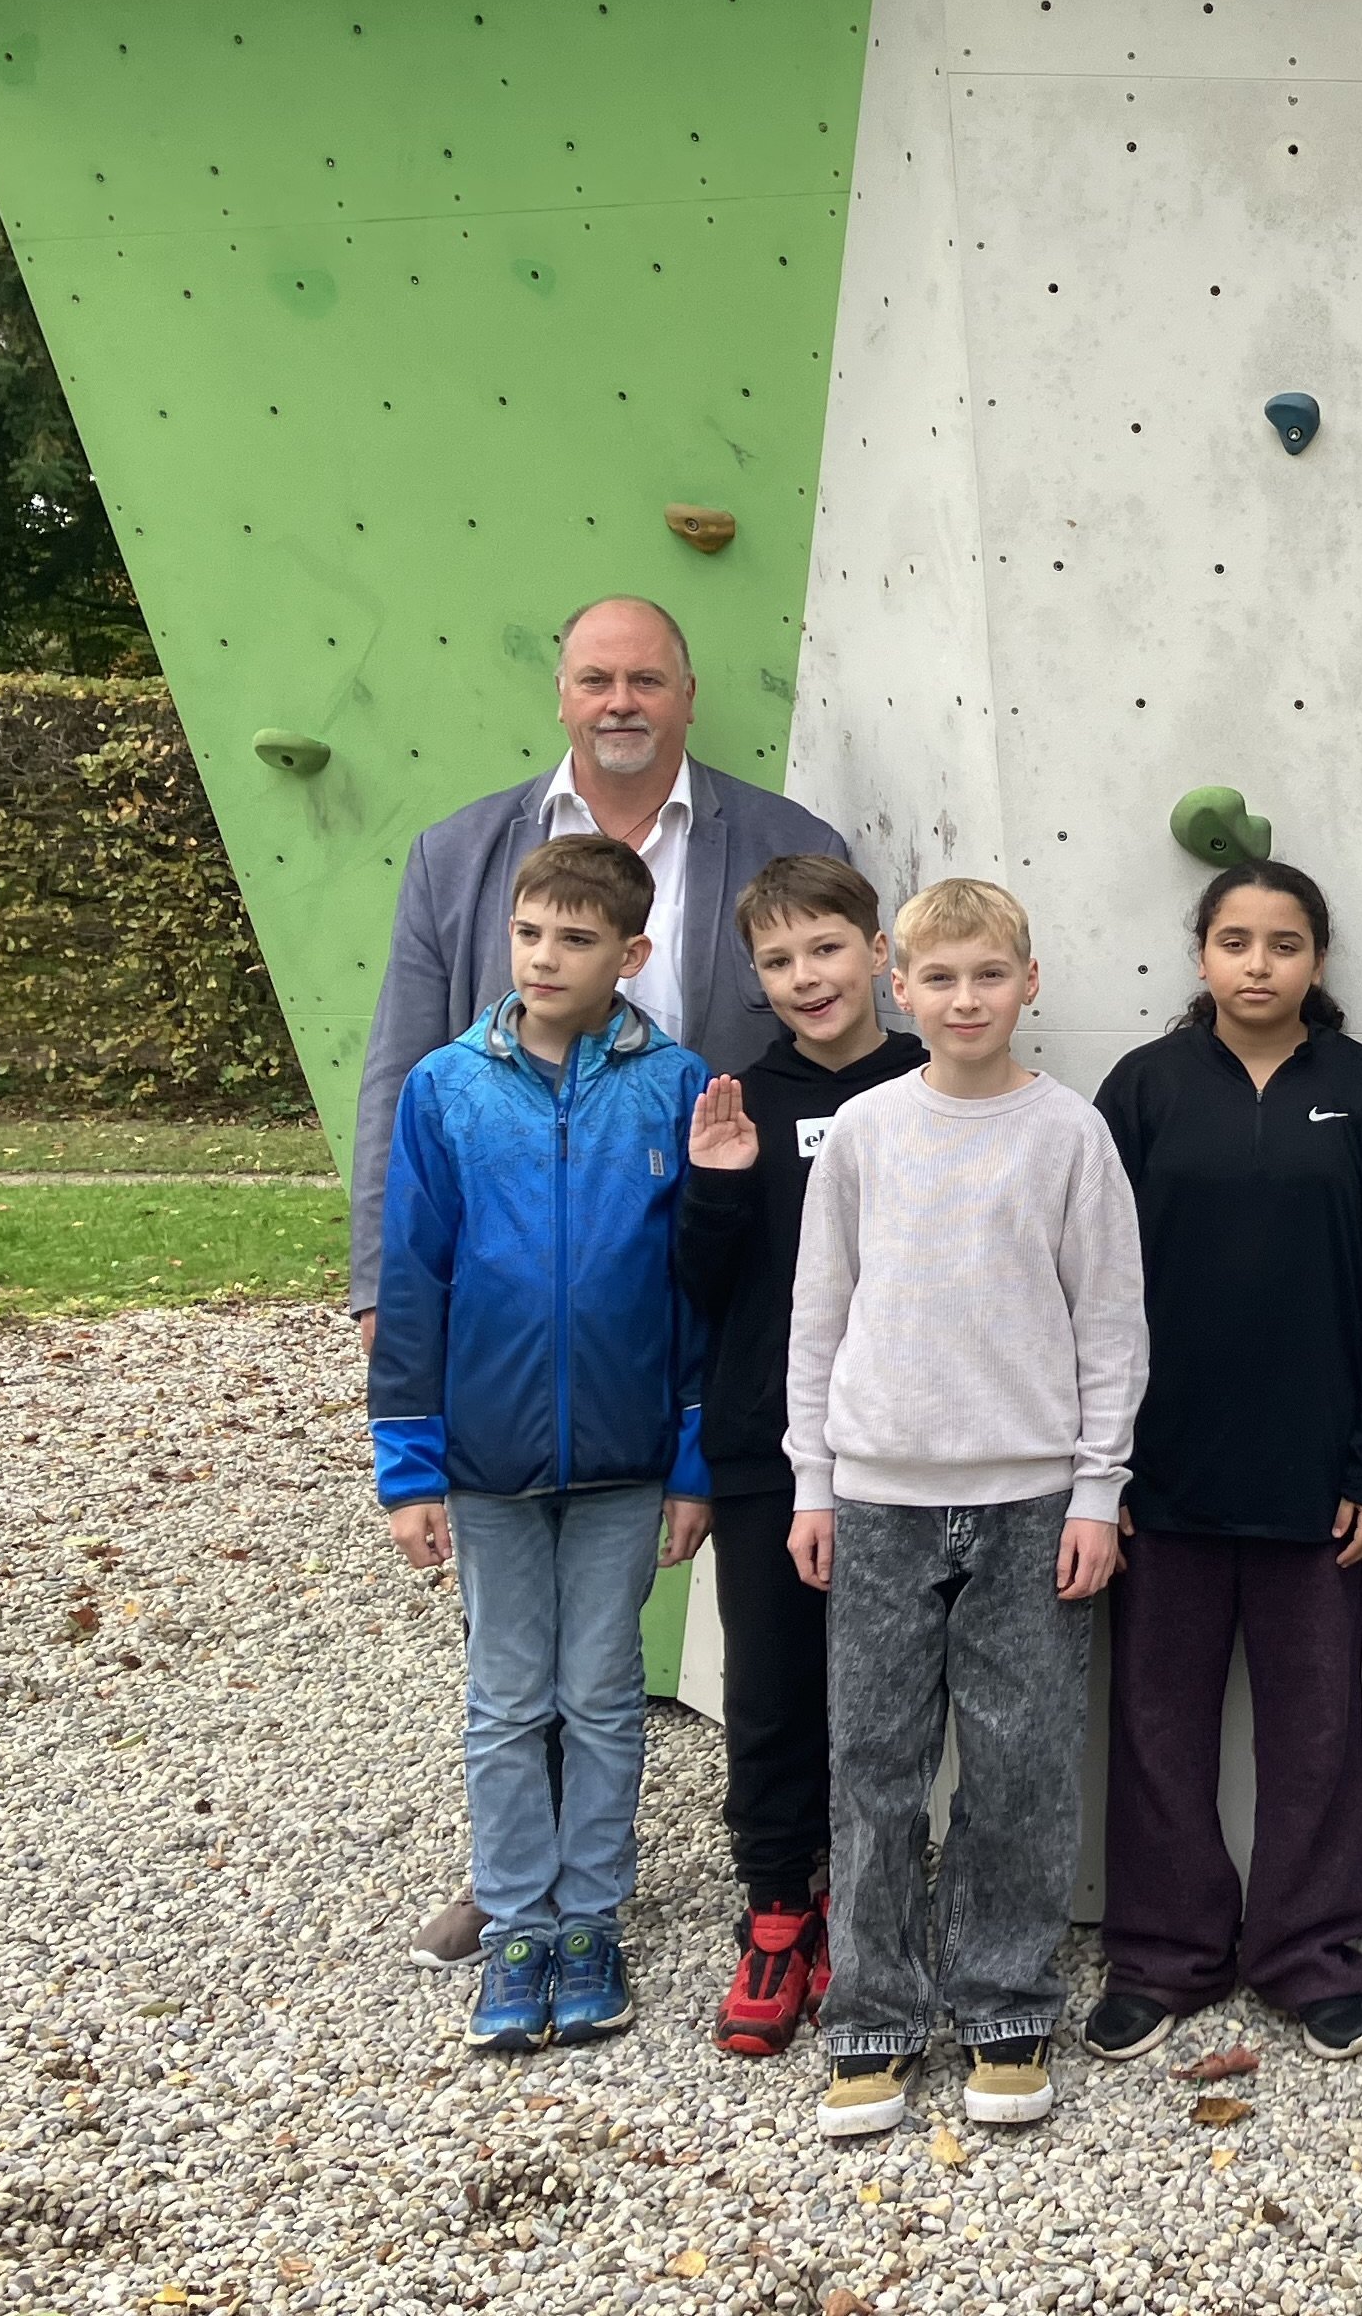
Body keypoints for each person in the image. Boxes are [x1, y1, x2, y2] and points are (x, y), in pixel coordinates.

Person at [351, 591, 849, 1972]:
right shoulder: (465, 854)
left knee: (651, 1620)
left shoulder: (789, 842)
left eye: (646, 678)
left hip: (700, 1275)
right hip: (508, 1290)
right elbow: (401, 1074)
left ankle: (698, 1876)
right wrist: (382, 1290)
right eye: (594, 678)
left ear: (689, 693)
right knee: (512, 1647)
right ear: (562, 696)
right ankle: (525, 1890)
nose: (620, 700)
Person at [784, 877, 1146, 2140]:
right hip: (879, 1496)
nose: (965, 998)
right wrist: (813, 1480)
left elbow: (1110, 1324)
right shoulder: (867, 1131)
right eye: (938, 979)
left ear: (1028, 985)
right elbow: (818, 1315)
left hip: (1030, 1499)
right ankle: (875, 2018)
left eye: (988, 975)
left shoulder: (1069, 1137)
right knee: (875, 1761)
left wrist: (1098, 1487)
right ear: (901, 988)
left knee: (1020, 1765)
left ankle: (1002, 2003)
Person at [1085, 861, 1362, 2066]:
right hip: (1159, 1477)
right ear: (1200, 956)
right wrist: (1103, 1469)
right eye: (1233, 940)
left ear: (1318, 962)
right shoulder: (1142, 1089)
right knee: (1154, 1721)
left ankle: (1308, 1952)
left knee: (1314, 1727)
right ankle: (1164, 1950)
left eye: (1283, 943)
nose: (1256, 962)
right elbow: (1088, 1292)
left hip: (1316, 1480)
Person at [367, 832, 711, 2057]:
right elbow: (413, 1277)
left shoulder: (676, 1087)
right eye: (530, 934)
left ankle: (592, 1919)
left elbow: (696, 1291)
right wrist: (408, 1462)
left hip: (626, 1456)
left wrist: (693, 1457)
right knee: (508, 1700)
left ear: (632, 953)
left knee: (605, 1695)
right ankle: (517, 1923)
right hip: (490, 1460)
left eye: (577, 938)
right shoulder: (448, 1089)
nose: (548, 956)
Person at [673, 854, 927, 2060]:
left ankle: (886, 1906)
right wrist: (719, 1193)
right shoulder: (741, 1103)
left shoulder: (938, 1079)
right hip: (771, 1447)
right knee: (771, 1692)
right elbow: (694, 1290)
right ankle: (779, 1911)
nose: (805, 977)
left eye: (825, 948)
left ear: (877, 952)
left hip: (917, 1450)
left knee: (893, 1701)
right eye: (778, 961)